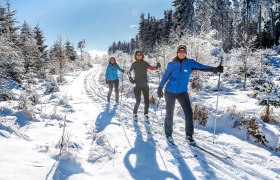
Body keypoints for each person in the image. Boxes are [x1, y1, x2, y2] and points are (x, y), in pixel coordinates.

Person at [157, 45, 223, 144]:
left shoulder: (190, 63)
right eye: (180, 51)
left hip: (182, 92)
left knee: (188, 112)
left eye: (183, 51)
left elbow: (202, 67)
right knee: (169, 112)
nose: (182, 53)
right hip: (170, 91)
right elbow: (165, 76)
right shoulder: (171, 64)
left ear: (186, 53)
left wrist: (215, 69)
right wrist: (160, 87)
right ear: (177, 52)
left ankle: (189, 135)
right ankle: (168, 134)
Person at [129, 50, 160, 120]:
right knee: (138, 101)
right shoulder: (134, 64)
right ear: (136, 56)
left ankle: (146, 113)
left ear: (142, 55)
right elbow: (129, 72)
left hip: (145, 85)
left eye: (140, 54)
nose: (139, 56)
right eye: (138, 55)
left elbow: (151, 68)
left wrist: (157, 67)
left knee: (146, 101)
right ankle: (134, 113)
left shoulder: (145, 63)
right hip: (137, 85)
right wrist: (131, 79)